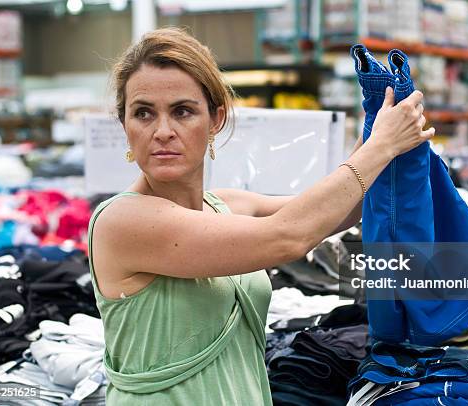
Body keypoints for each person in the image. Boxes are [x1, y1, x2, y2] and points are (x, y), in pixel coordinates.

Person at [88, 26, 434, 405]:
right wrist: (382, 145)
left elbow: (337, 213)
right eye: (143, 113)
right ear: (124, 125)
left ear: (215, 119)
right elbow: (289, 236)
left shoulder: (227, 205)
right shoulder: (123, 222)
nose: (163, 131)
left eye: (183, 111)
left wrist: (377, 123)